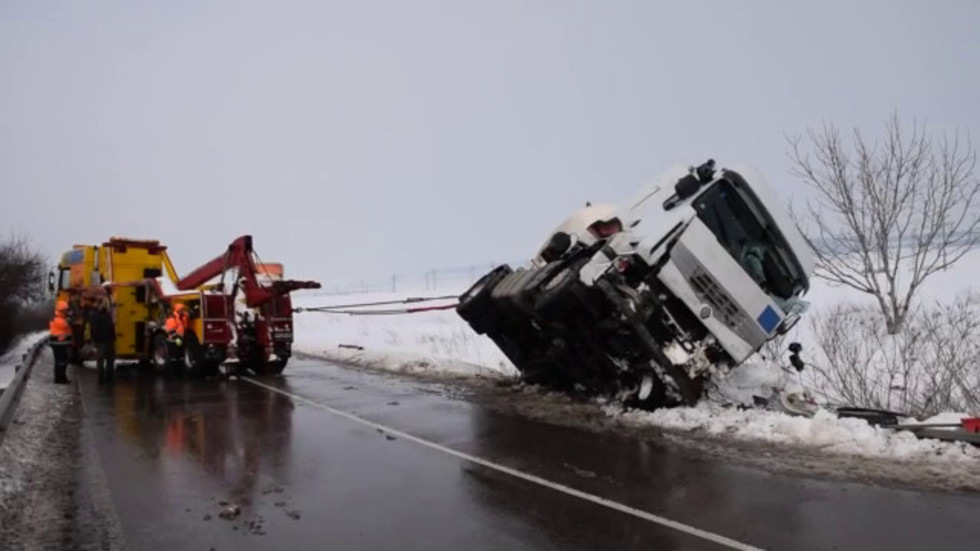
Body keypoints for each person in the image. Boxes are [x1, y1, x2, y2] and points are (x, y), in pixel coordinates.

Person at [88, 297, 116, 384]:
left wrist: (93, 339)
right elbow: (111, 327)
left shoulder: (94, 315)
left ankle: (102, 377)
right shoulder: (107, 315)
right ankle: (109, 377)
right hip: (107, 339)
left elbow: (93, 329)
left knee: (101, 359)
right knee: (109, 359)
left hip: (100, 340)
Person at [48, 300, 73, 384]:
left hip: (60, 343)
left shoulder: (59, 317)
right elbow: (65, 325)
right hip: (59, 343)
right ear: (62, 310)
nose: (67, 311)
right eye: (66, 310)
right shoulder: (58, 319)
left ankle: (62, 377)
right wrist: (69, 319)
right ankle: (59, 379)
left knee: (61, 361)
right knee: (60, 361)